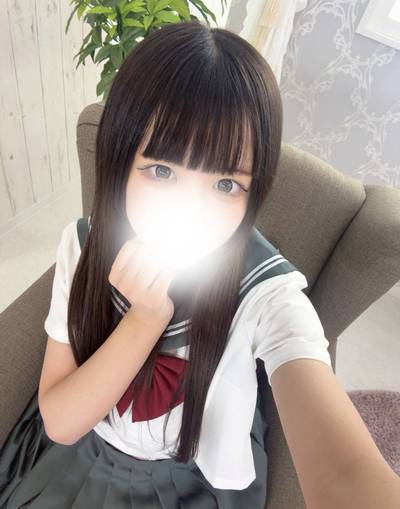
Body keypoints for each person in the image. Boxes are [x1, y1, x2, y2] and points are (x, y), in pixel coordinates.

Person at [0, 19, 399, 509]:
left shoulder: (265, 292)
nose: (191, 211)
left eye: (225, 184)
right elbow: (61, 422)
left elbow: (347, 472)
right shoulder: (84, 246)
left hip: (187, 482)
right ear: (120, 162)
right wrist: (145, 319)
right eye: (162, 170)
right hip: (84, 453)